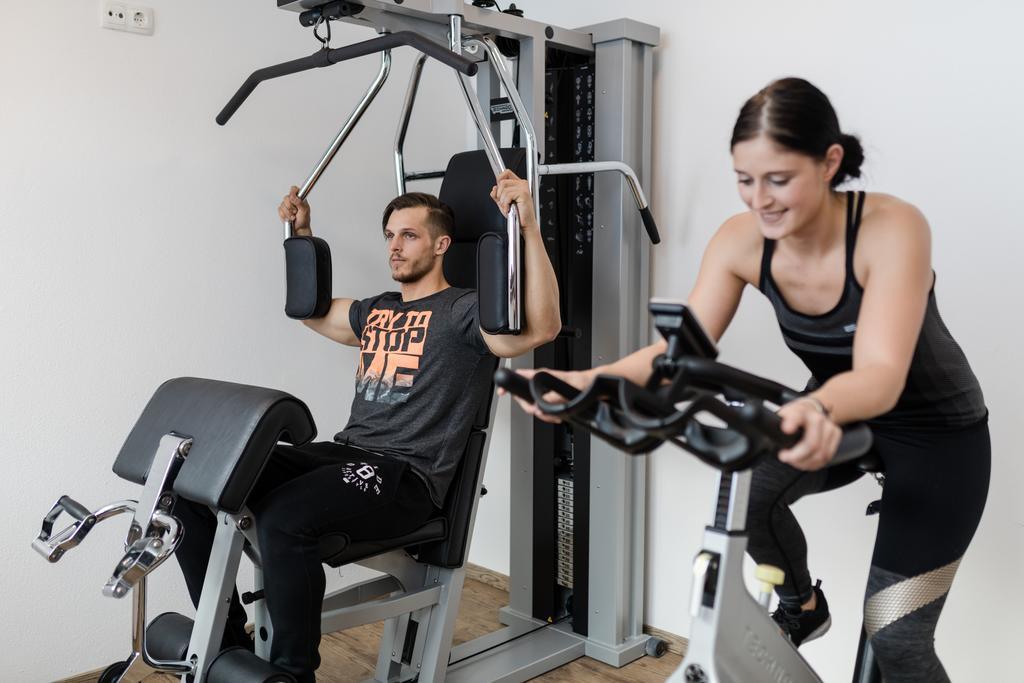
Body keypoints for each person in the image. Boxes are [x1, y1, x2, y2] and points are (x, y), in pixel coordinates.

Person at [509, 78, 989, 682]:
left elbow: (881, 375)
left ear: (829, 162)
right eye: (744, 179)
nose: (759, 200)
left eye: (778, 179)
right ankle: (803, 609)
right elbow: (677, 353)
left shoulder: (891, 228)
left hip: (938, 437)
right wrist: (588, 380)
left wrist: (819, 408)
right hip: (832, 413)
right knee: (750, 494)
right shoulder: (742, 241)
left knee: (896, 641)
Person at [173, 170, 561, 683]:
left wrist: (529, 228)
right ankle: (222, 646)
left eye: (409, 235)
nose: (394, 248)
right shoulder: (376, 309)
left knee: (284, 518)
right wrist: (301, 236)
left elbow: (542, 328)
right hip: (344, 454)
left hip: (404, 476)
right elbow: (310, 312)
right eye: (390, 236)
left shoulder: (464, 310)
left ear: (442, 244)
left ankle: (291, 675)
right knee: (195, 482)